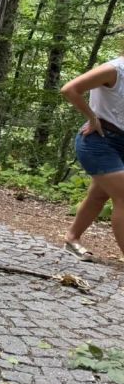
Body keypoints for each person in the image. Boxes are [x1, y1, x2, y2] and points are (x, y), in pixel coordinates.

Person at [59, 51, 124, 260]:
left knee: (99, 195)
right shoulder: (113, 70)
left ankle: (72, 237)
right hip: (99, 141)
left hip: (120, 144)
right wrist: (92, 117)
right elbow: (70, 89)